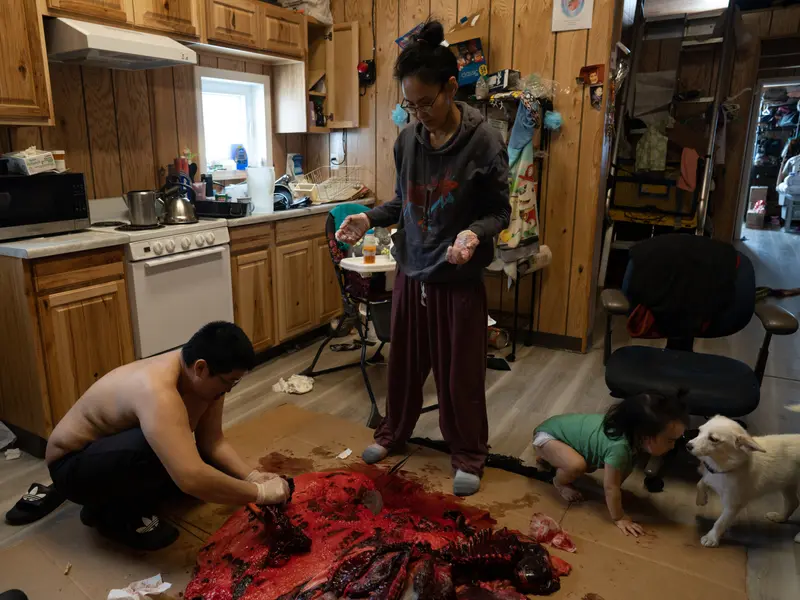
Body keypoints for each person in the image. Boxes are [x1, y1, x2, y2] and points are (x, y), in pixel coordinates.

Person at [336, 20, 510, 496]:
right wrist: (368, 219)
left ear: (451, 88)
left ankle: (469, 453)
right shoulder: (408, 139)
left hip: (457, 276)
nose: (419, 114)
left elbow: (499, 211)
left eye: (426, 103)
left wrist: (474, 233)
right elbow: (403, 203)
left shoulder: (484, 141)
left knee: (461, 374)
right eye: (409, 105)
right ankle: (394, 432)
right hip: (412, 269)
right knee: (404, 364)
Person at [46, 322, 290, 551]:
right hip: (71, 467)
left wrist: (252, 476)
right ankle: (108, 512)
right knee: (160, 454)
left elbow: (212, 442)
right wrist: (260, 494)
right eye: (228, 382)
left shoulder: (206, 381)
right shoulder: (156, 390)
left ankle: (121, 494)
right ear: (201, 368)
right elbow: (192, 478)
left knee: (204, 470)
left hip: (109, 451)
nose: (228, 390)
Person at [532, 392, 689, 536]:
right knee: (577, 466)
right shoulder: (619, 448)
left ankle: (551, 458)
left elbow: (620, 474)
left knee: (590, 464)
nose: (673, 446)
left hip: (559, 435)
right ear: (646, 437)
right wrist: (619, 517)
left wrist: (617, 492)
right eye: (670, 440)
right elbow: (610, 487)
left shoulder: (631, 439)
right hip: (546, 437)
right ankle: (559, 482)